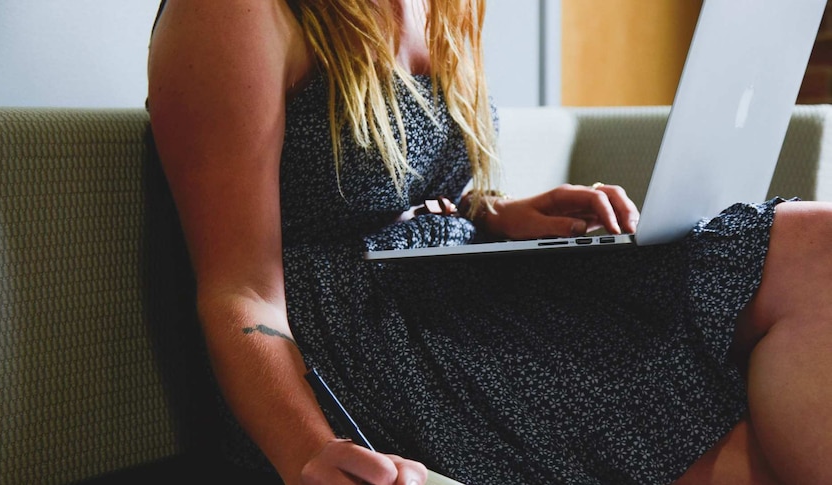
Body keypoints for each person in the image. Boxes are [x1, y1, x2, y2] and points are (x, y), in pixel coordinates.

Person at [146, 0, 832, 483]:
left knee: (814, 249)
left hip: (445, 289)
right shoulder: (232, 11)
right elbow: (240, 291)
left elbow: (398, 185)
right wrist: (307, 454)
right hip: (356, 350)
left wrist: (494, 214)